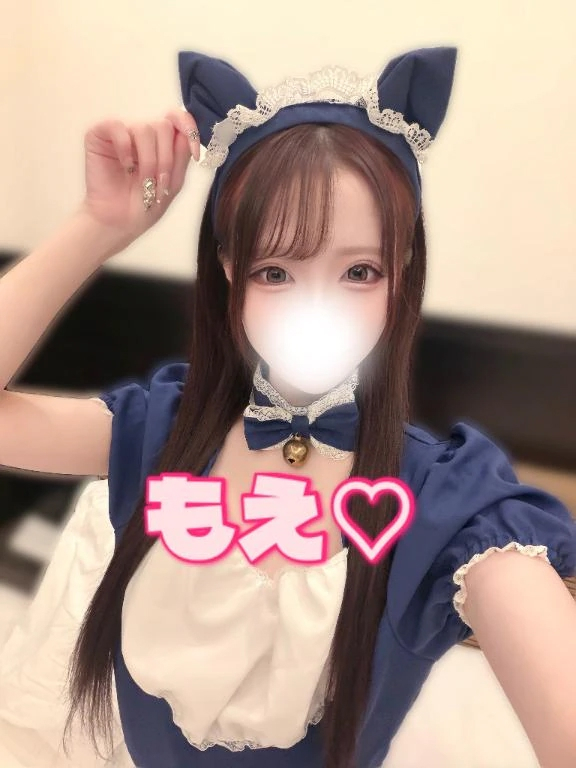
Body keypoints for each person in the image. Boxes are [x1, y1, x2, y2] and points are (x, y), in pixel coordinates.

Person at [0, 45, 575, 768]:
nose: (316, 308)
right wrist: (100, 223)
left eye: (359, 270)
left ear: (401, 276)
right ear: (229, 272)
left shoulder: (445, 499)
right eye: (275, 271)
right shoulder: (160, 431)